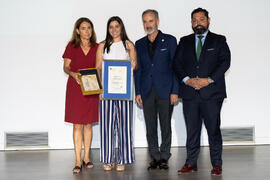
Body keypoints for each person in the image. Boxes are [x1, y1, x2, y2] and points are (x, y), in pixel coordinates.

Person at [173, 8, 231, 176]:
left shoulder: (219, 40)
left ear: (208, 20)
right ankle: (191, 163)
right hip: (190, 94)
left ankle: (217, 164)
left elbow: (225, 62)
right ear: (191, 23)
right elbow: (177, 64)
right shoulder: (184, 41)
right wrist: (187, 80)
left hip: (212, 94)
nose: (198, 22)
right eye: (194, 20)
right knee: (192, 130)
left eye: (201, 19)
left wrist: (208, 80)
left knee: (213, 130)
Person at [134, 9, 179, 170]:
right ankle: (154, 156)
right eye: (145, 21)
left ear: (157, 21)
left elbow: (176, 67)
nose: (148, 24)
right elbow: (138, 70)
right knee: (150, 126)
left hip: (166, 90)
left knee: (165, 125)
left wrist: (175, 90)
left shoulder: (170, 40)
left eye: (151, 21)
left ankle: (164, 157)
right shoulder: (138, 44)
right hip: (146, 91)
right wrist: (137, 91)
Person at [95, 16, 137, 171]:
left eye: (116, 26)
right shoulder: (102, 45)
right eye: (111, 27)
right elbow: (98, 68)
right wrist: (100, 89)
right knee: (106, 127)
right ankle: (107, 159)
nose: (114, 29)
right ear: (108, 29)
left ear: (121, 27)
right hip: (106, 93)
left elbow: (135, 66)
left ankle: (122, 159)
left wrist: (132, 62)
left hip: (124, 93)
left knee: (125, 127)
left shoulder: (129, 45)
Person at [62, 17, 99, 174]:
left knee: (89, 124)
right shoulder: (72, 46)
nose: (87, 31)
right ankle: (78, 160)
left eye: (89, 28)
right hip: (75, 88)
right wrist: (73, 74)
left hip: (91, 87)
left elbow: (99, 67)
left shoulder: (98, 47)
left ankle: (87, 158)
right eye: (83, 28)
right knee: (77, 124)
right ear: (77, 31)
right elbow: (66, 67)